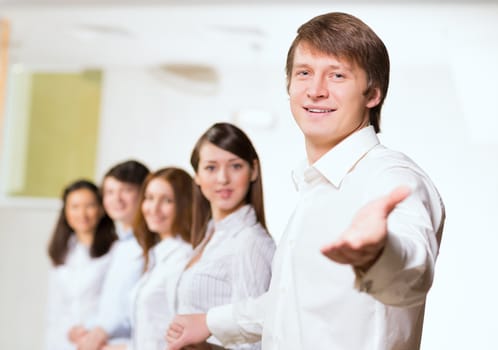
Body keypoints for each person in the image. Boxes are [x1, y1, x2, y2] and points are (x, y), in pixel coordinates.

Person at [166, 12, 446, 350]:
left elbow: (412, 275)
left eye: (337, 75)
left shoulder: (391, 176)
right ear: (289, 86)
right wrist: (210, 322)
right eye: (304, 73)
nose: (315, 91)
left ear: (372, 94)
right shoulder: (315, 186)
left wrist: (379, 253)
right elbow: (289, 304)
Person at [174, 122, 276, 349]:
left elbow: (255, 341)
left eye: (235, 166)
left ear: (254, 171)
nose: (222, 178)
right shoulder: (209, 236)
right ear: (197, 176)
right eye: (211, 168)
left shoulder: (250, 242)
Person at [102, 167, 194, 350]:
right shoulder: (156, 255)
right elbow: (151, 331)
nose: (154, 208)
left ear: (184, 204)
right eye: (150, 198)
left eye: (167, 200)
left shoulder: (184, 258)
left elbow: (178, 337)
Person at [70, 160, 149, 349]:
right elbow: (112, 305)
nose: (116, 199)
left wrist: (102, 334)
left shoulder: (148, 247)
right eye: (110, 192)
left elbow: (140, 311)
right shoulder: (120, 245)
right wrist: (89, 329)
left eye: (126, 190)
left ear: (144, 193)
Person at [45, 179, 117, 350]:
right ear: (66, 211)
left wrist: (90, 331)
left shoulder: (115, 251)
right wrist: (67, 331)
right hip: (62, 340)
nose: (82, 214)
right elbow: (55, 307)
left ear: (101, 209)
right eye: (75, 207)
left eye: (89, 206)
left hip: (100, 340)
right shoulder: (61, 250)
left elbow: (114, 304)